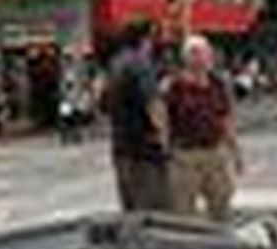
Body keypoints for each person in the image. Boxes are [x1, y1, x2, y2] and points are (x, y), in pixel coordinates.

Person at [164, 35, 241, 221]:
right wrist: (166, 150)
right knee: (183, 210)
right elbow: (163, 119)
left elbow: (227, 118)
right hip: (186, 155)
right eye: (195, 54)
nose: (202, 59)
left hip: (215, 152)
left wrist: (236, 152)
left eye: (205, 54)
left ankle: (220, 244)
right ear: (187, 58)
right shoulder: (175, 86)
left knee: (222, 204)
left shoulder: (218, 83)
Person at [101, 22, 170, 211]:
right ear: (144, 39)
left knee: (131, 209)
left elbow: (103, 103)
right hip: (145, 151)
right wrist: (165, 140)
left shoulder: (115, 64)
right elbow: (153, 104)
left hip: (122, 147)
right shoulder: (141, 64)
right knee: (154, 212)